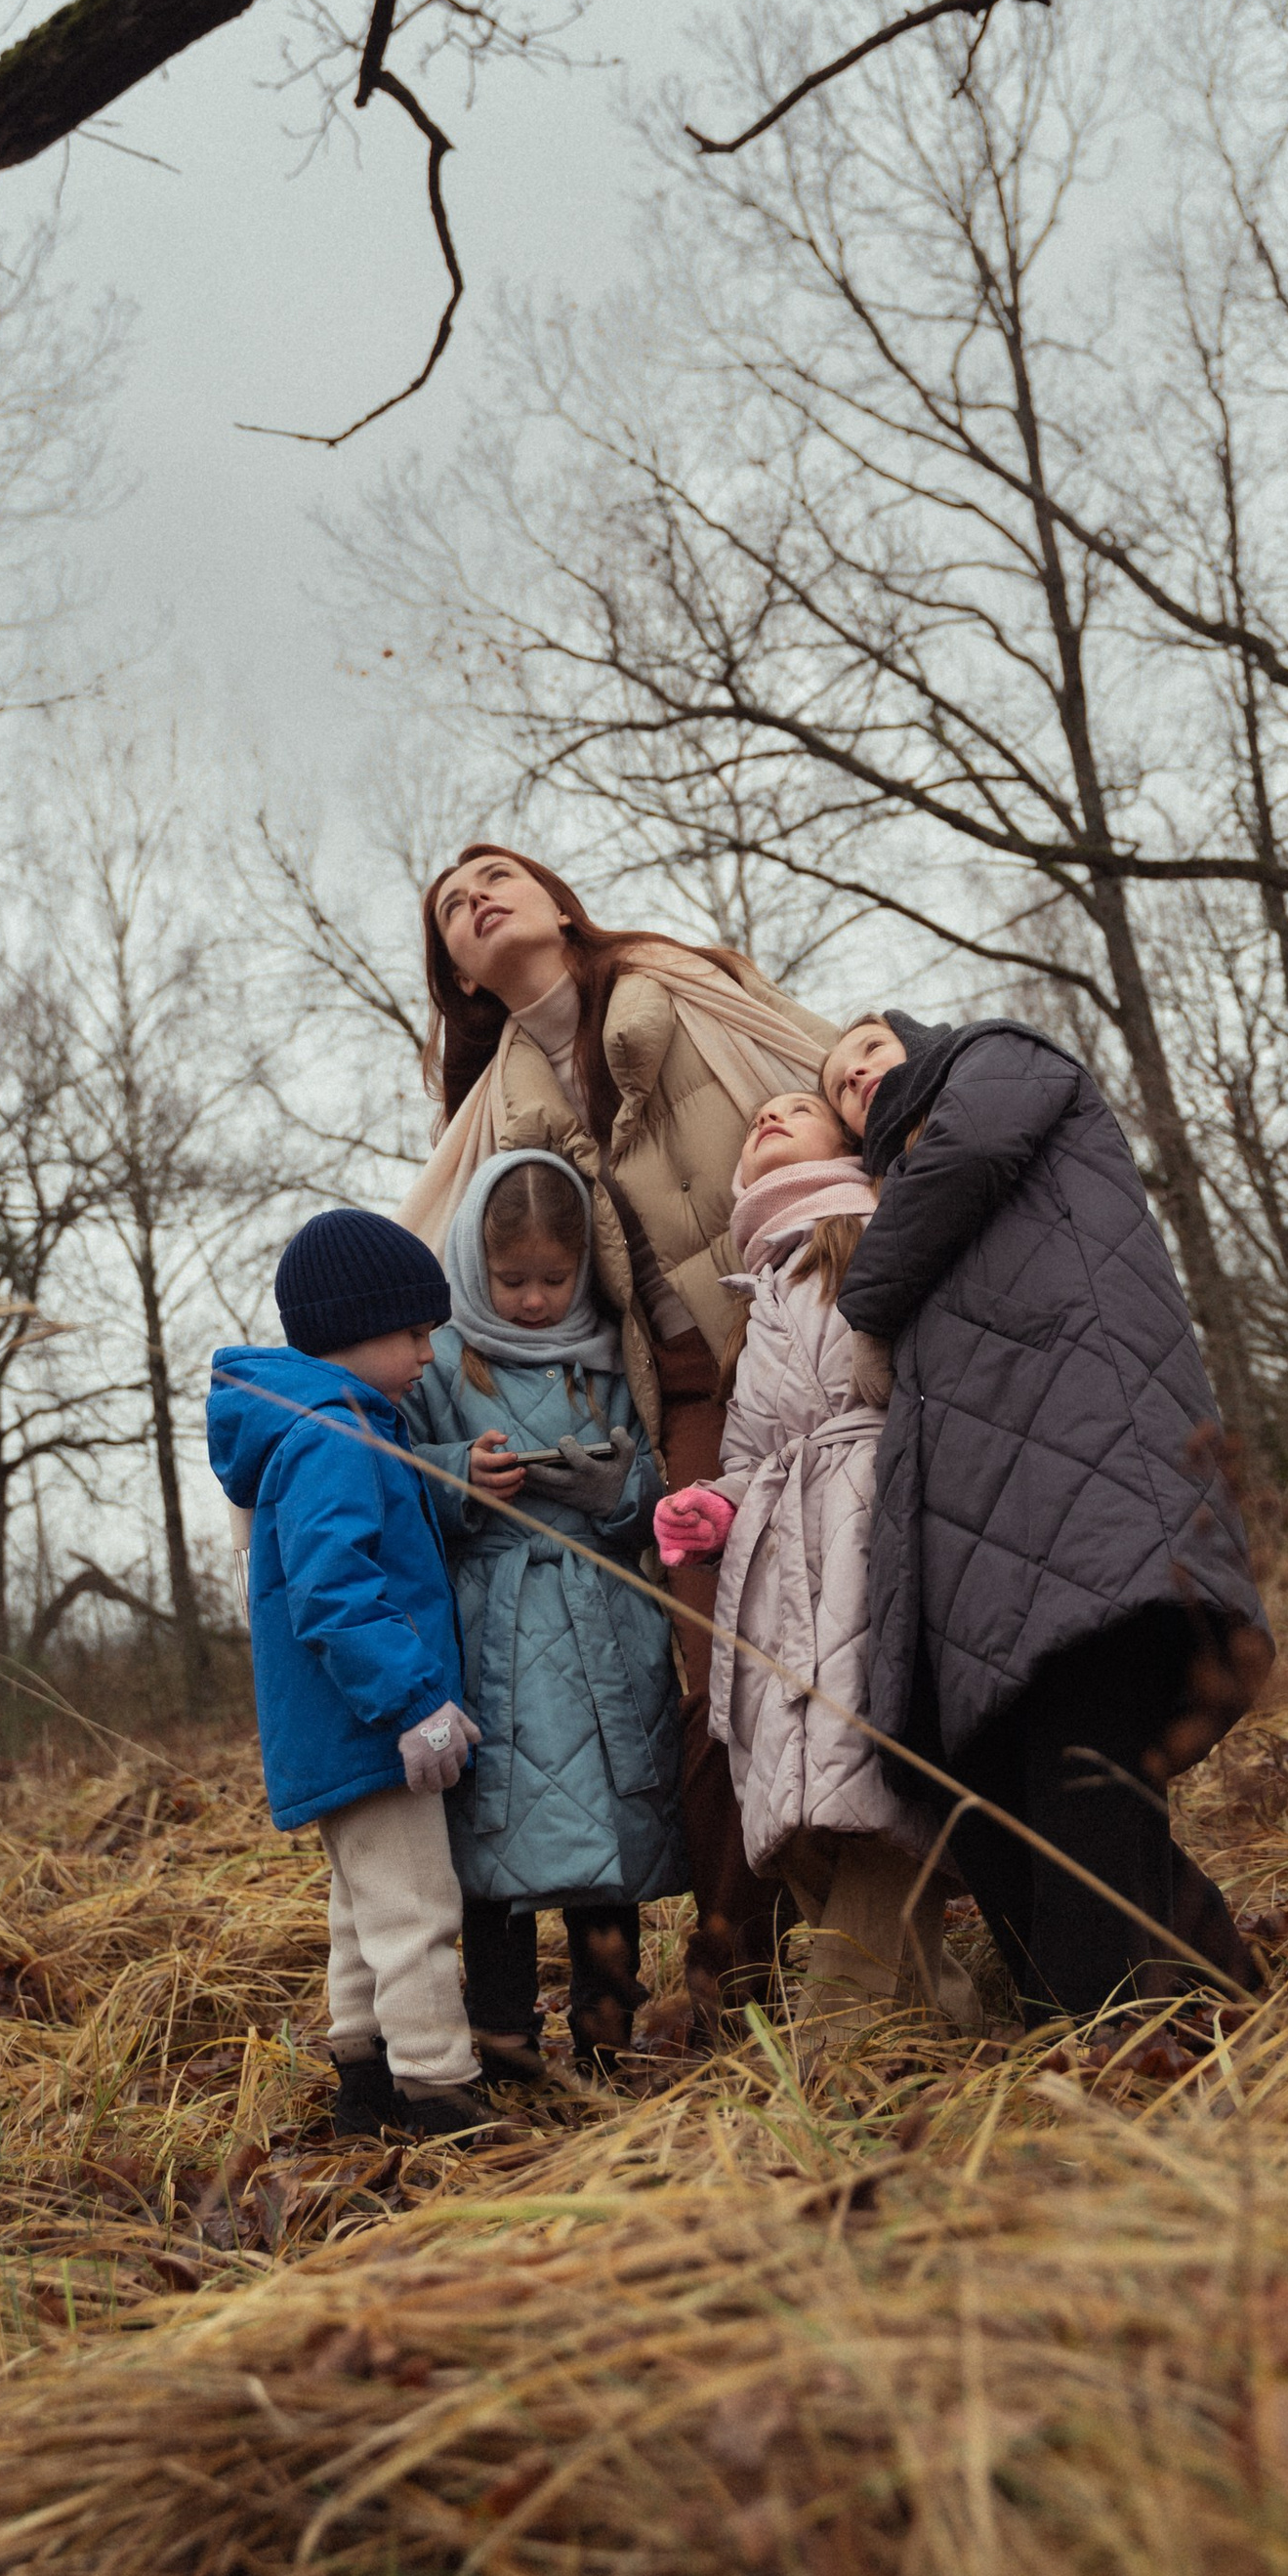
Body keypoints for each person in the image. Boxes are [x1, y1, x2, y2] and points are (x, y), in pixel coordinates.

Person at [402, 845, 833, 2033]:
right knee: (715, 1667)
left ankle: (893, 1915)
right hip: (678, 1402)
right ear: (458, 972)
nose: (477, 898)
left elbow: (826, 1075)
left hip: (799, 1344)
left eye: (496, 877)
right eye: (452, 908)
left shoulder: (680, 989)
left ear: (556, 899)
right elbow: (435, 1265)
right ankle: (736, 1968)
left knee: (847, 1633)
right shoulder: (492, 1115)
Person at [823, 1013, 1274, 2026]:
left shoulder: (1000, 1058)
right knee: (991, 1780)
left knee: (1080, 1734)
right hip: (1000, 1530)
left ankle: (1104, 2045)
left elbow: (974, 1144)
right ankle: (1222, 2006)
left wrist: (866, 1303)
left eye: (867, 1048)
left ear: (917, 1041)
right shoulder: (903, 1199)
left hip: (1092, 1469)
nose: (853, 1073)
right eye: (836, 1080)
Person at [653, 1087, 957, 2049]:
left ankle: (836, 2047)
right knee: (802, 1820)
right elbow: (752, 1450)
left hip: (876, 1541)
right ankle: (939, 2023)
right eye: (757, 1118)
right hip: (781, 1573)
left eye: (798, 1106)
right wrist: (716, 1505)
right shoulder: (758, 1293)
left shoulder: (876, 1235)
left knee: (871, 1795)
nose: (769, 1118)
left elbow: (926, 1383)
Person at [205, 1207, 491, 2141]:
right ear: (351, 1331)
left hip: (337, 1730)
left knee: (362, 1911)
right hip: (372, 1723)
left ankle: (363, 2076)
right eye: (412, 1334)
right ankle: (439, 2093)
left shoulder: (315, 1426)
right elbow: (334, 1593)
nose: (427, 1355)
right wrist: (415, 1703)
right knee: (415, 1911)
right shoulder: (334, 1436)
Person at [402, 1150, 676, 2077]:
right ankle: (506, 2043)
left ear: (584, 1267)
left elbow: (660, 1481)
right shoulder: (439, 1359)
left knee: (609, 1844)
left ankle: (607, 2039)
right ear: (473, 1266)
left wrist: (620, 1491)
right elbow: (395, 1479)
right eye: (511, 1278)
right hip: (493, 1627)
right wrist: (457, 1476)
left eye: (553, 1279)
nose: (531, 1300)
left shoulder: (612, 1355)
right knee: (493, 1849)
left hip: (605, 1627)